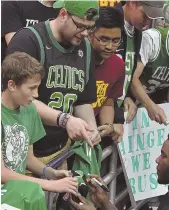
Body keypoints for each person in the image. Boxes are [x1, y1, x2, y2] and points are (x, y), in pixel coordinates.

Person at [6, 0, 101, 165]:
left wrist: (91, 128)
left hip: (59, 150)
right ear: (63, 14)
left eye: (90, 27)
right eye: (80, 25)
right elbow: (17, 98)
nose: (85, 33)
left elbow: (83, 100)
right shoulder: (28, 40)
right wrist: (65, 120)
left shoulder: (85, 47)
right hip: (20, 151)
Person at [1, 52, 78, 195]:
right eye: (31, 88)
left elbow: (27, 158)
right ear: (11, 85)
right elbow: (2, 174)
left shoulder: (29, 109)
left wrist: (51, 173)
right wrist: (51, 185)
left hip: (16, 194)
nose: (36, 94)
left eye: (37, 87)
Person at [114, 1, 165, 124]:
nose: (147, 22)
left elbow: (127, 71)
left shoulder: (138, 32)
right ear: (132, 2)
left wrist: (126, 96)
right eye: (145, 15)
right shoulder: (111, 22)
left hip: (116, 106)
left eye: (152, 18)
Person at [88, 7, 125, 143]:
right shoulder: (77, 59)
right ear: (90, 34)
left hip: (92, 138)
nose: (110, 46)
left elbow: (108, 102)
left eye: (116, 41)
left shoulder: (118, 65)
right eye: (104, 39)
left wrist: (108, 125)